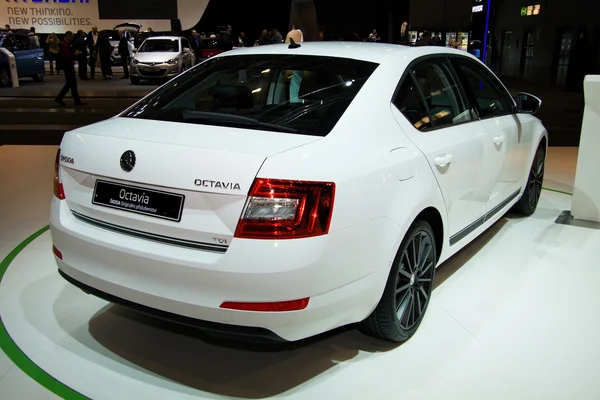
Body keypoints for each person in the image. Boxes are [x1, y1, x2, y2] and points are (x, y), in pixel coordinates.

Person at [55, 31, 85, 107]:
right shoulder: (64, 44)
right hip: (68, 66)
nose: (72, 39)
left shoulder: (64, 44)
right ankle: (74, 100)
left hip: (68, 65)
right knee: (71, 83)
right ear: (67, 36)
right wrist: (75, 55)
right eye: (71, 37)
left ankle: (62, 98)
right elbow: (66, 56)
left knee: (70, 84)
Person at [566, 27, 592, 92]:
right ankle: (573, 88)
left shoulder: (582, 43)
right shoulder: (580, 42)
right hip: (579, 63)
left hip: (579, 63)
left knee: (577, 76)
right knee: (576, 76)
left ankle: (574, 88)